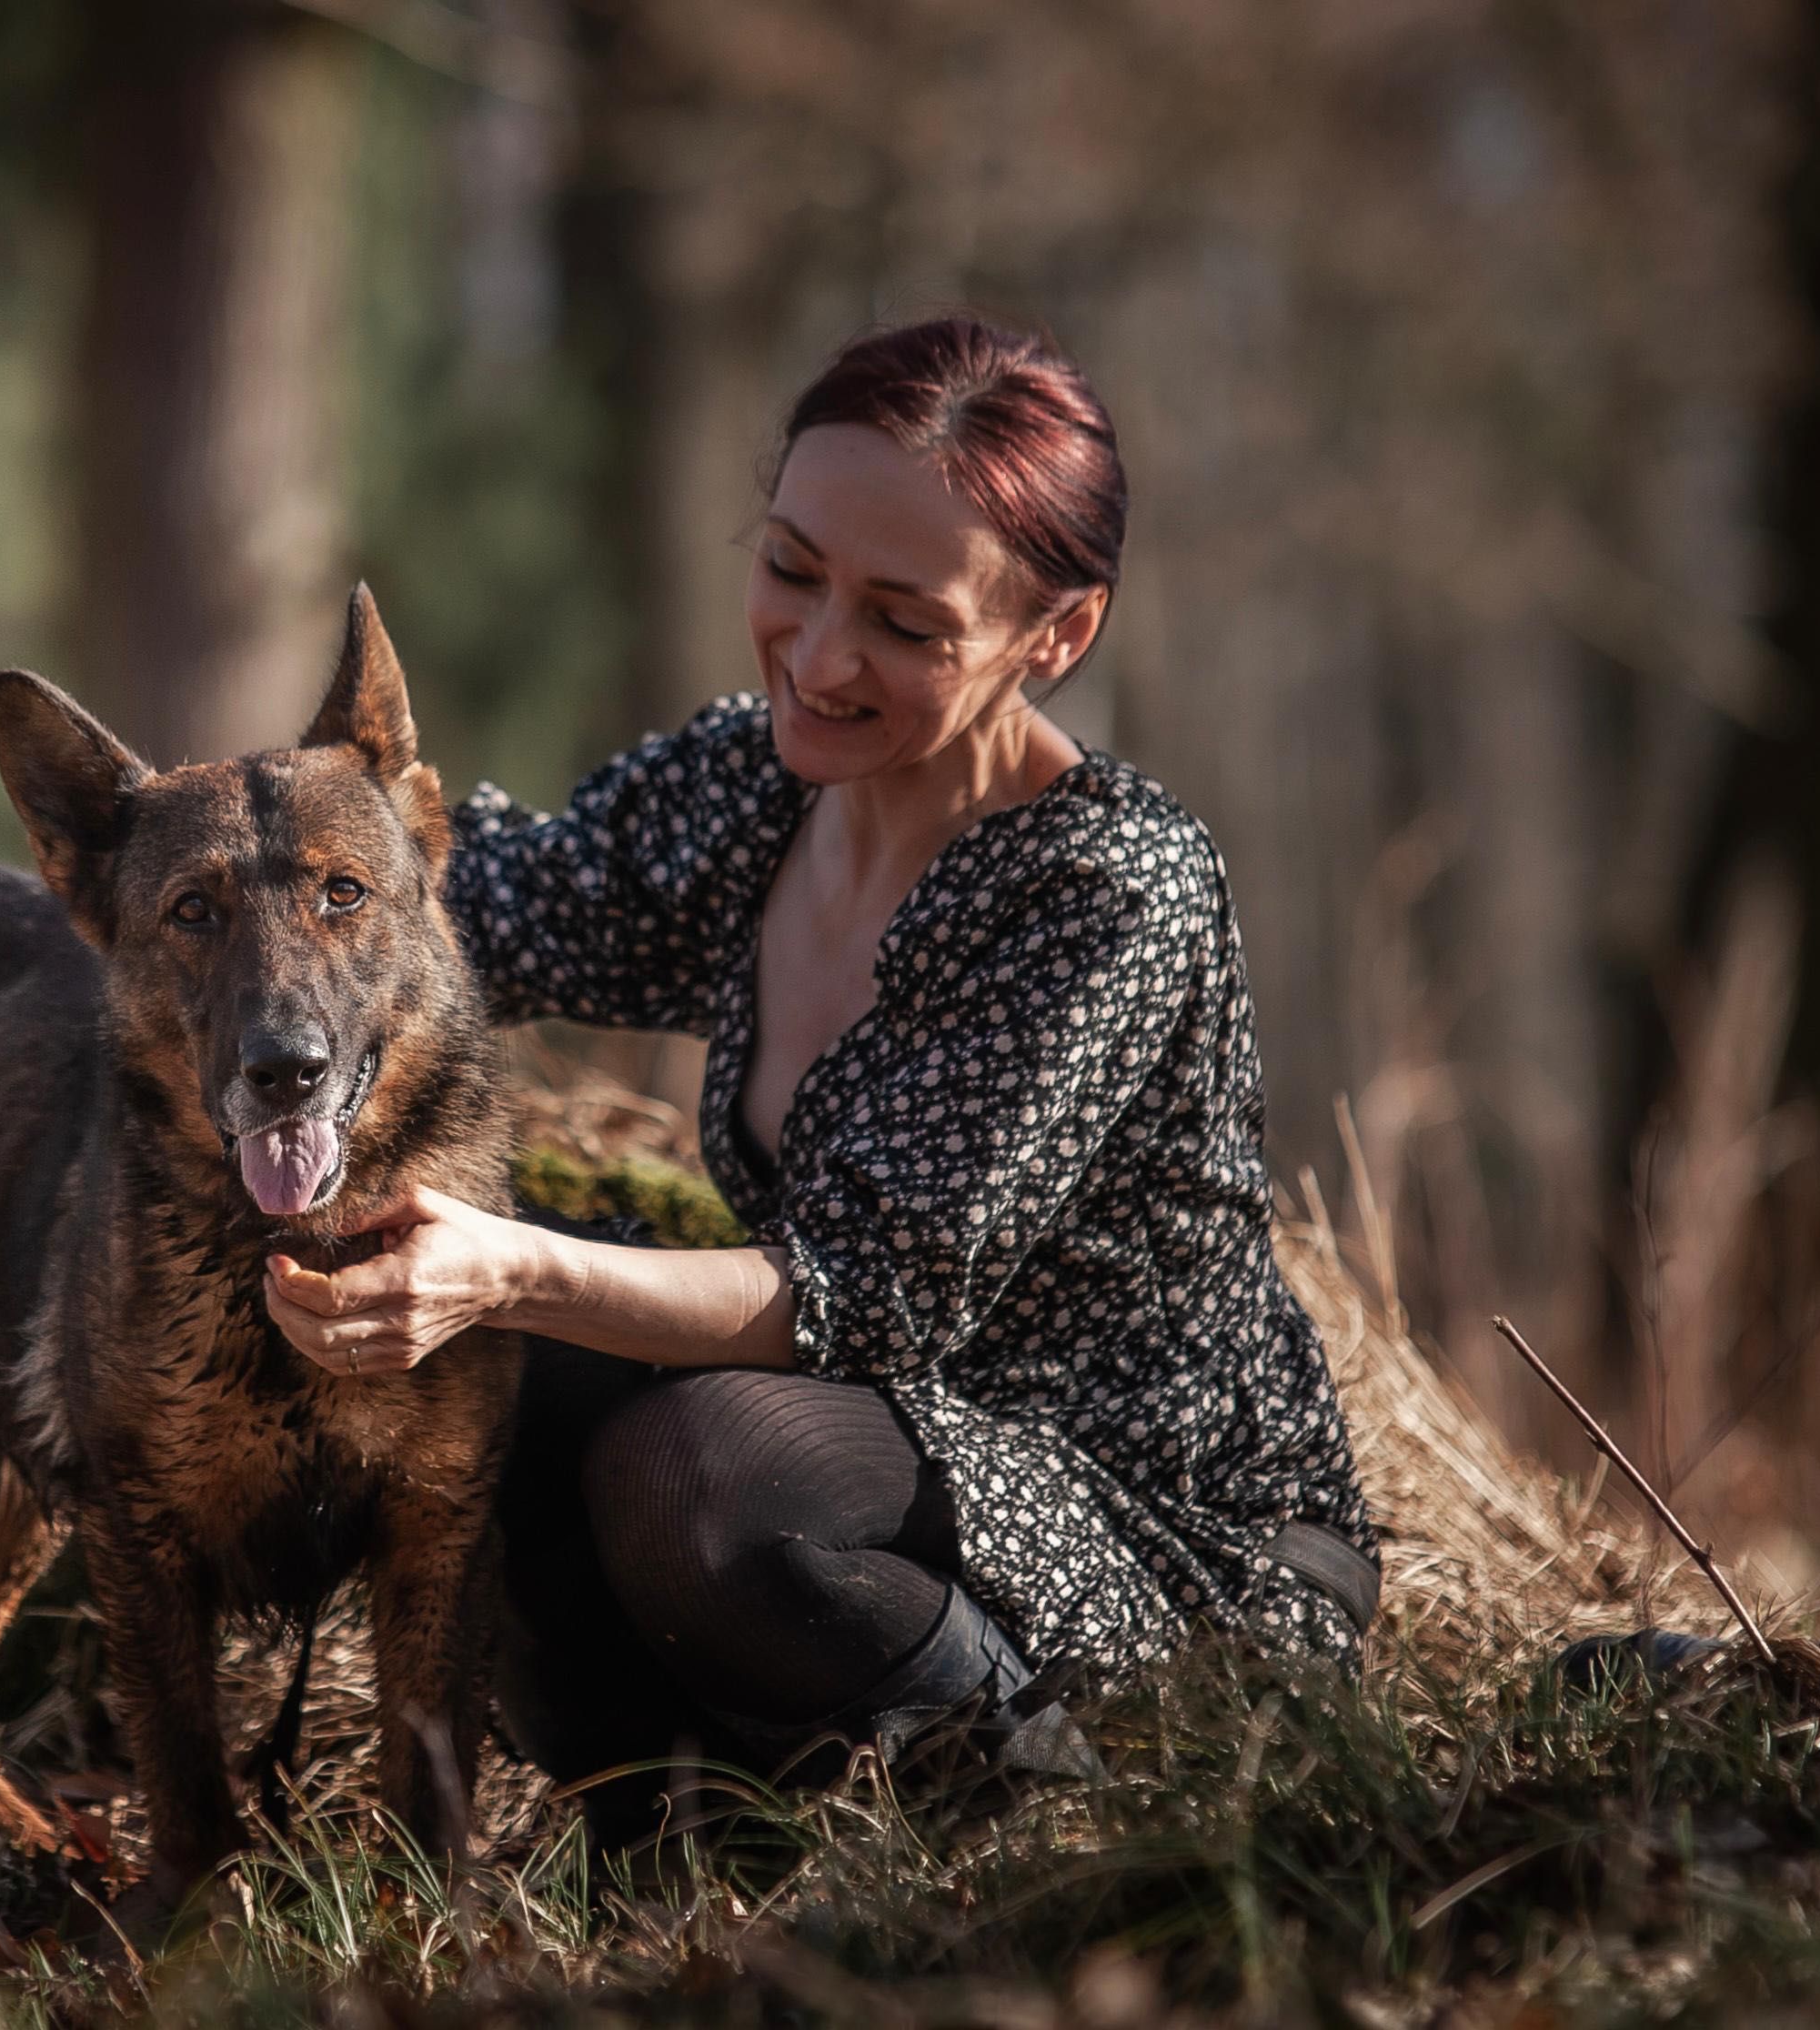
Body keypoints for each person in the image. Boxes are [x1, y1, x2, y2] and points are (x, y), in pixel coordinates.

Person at [261, 314, 1377, 1815]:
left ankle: (1044, 1798)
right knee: (489, 1372)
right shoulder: (755, 786)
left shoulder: (1107, 890)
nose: (822, 654)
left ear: (1058, 636)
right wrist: (177, 911)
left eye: (908, 626)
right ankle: (673, 1837)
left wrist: (510, 1263)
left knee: (701, 1466)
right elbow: (467, 918)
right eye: (791, 570)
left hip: (1165, 1537)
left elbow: (859, 1304)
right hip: (864, 1457)